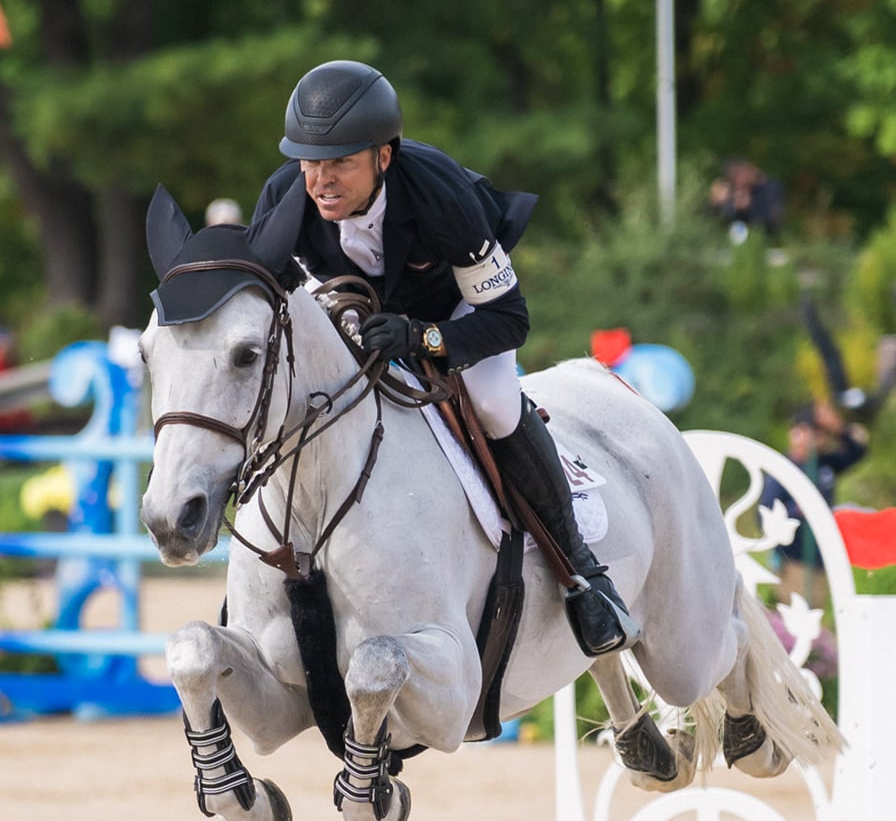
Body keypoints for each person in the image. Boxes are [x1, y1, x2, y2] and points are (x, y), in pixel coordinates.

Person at [252, 60, 635, 657]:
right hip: (358, 320)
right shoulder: (284, 199)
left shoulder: (441, 196)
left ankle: (582, 572)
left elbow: (510, 319)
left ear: (384, 156)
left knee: (493, 403)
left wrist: (424, 338)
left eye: (341, 164)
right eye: (310, 163)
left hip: (454, 314)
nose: (321, 181)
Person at [760, 401, 869, 606]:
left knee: (817, 616)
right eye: (803, 432)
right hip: (794, 560)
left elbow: (858, 450)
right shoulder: (782, 470)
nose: (811, 439)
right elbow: (764, 516)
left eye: (818, 433)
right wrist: (797, 511)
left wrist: (838, 427)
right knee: (797, 618)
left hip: (821, 556)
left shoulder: (824, 463)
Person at [709, 158, 784, 239]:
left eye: (738, 176)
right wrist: (716, 203)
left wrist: (748, 207)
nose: (738, 182)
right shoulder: (734, 190)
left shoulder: (770, 188)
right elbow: (717, 220)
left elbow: (773, 223)